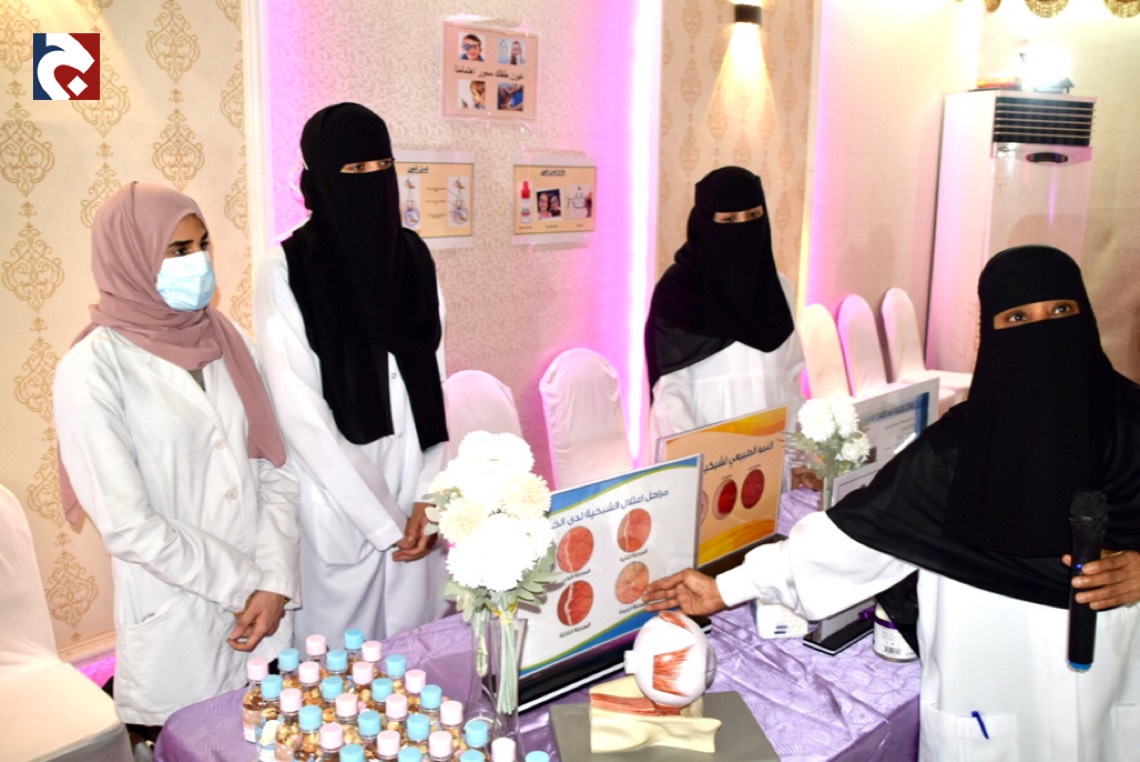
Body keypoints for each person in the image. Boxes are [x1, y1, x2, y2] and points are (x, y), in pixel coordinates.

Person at [645, 245, 1140, 761]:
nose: (1042, 331)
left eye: (1060, 310)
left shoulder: (1134, 426)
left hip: (1112, 680)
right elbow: (856, 537)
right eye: (1017, 318)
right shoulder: (958, 454)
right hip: (993, 693)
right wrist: (725, 588)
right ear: (990, 336)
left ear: (1085, 315)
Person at [53, 182, 298, 732]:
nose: (200, 262)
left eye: (203, 244)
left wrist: (275, 580)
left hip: (265, 608)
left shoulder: (229, 341)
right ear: (131, 257)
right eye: (179, 250)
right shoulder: (92, 370)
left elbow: (275, 469)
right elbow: (128, 525)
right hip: (177, 618)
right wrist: (247, 586)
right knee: (195, 742)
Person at [254, 103, 450, 645]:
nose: (371, 181)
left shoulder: (413, 257)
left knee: (418, 657)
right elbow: (300, 414)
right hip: (340, 501)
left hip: (415, 489)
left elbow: (434, 381)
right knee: (340, 667)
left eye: (381, 166)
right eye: (354, 170)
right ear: (318, 179)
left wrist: (430, 493)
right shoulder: (286, 269)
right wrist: (383, 519)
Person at [644, 166, 805, 456]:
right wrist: (701, 462)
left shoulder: (779, 287)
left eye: (753, 216)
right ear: (705, 223)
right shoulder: (678, 290)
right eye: (729, 219)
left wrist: (798, 452)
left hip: (772, 447)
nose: (743, 228)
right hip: (705, 444)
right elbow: (670, 394)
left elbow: (790, 377)